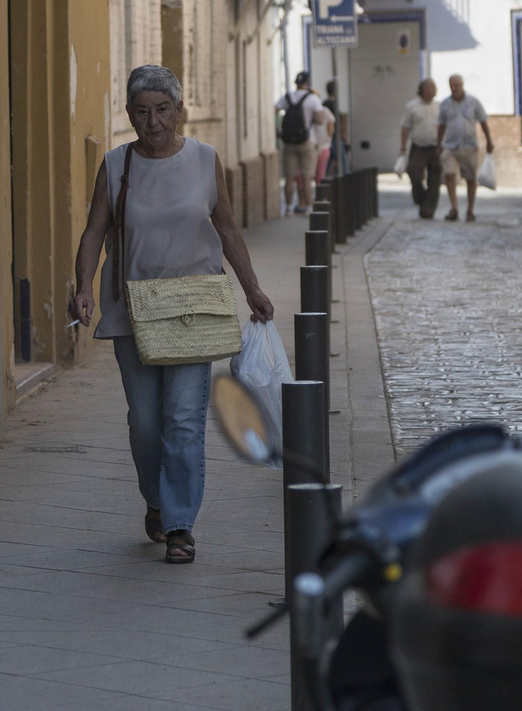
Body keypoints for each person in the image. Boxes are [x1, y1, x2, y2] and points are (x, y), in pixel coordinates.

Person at [72, 65, 275, 564]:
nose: (153, 121)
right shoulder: (117, 165)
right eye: (142, 112)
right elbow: (95, 230)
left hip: (192, 309)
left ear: (178, 111)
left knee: (182, 420)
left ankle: (180, 523)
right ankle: (156, 502)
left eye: (163, 110)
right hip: (133, 310)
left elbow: (226, 227)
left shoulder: (205, 160)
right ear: (129, 115)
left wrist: (252, 289)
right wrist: (83, 287)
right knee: (145, 424)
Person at [437, 74, 494, 222]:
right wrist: (438, 144)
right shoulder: (445, 103)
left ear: (462, 85)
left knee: (470, 178)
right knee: (449, 174)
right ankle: (454, 208)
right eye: (452, 86)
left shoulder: (473, 102)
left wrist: (489, 140)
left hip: (470, 146)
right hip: (450, 145)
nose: (454, 88)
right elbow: (441, 125)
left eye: (457, 85)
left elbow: (483, 121)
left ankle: (470, 210)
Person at [276, 71, 324, 215]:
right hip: (307, 141)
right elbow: (320, 120)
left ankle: (289, 207)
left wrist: (278, 131)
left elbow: (274, 110)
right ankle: (309, 207)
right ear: (307, 83)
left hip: (289, 142)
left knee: (289, 177)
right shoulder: (313, 98)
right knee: (307, 177)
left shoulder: (287, 97)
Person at [400, 78, 442, 219]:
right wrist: (403, 148)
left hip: (436, 147)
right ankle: (422, 199)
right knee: (414, 173)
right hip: (418, 147)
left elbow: (444, 126)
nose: (435, 89)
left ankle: (428, 209)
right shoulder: (412, 106)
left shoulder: (439, 106)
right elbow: (405, 127)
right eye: (432, 87)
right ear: (423, 90)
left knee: (435, 179)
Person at [312, 94, 337, 187]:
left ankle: (320, 196)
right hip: (324, 146)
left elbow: (331, 129)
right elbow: (331, 130)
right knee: (321, 174)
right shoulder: (326, 111)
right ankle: (321, 196)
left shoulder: (309, 111)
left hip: (318, 146)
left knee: (316, 174)